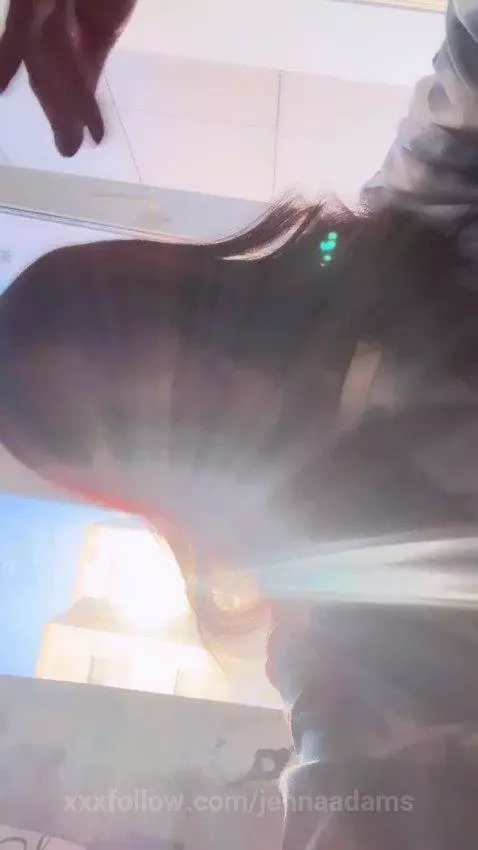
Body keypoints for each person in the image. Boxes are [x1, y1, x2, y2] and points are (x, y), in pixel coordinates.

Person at [2, 0, 478, 847]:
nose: (163, 381)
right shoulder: (335, 616)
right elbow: (360, 788)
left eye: (128, 336)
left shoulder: (407, 230)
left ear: (166, 284)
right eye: (116, 412)